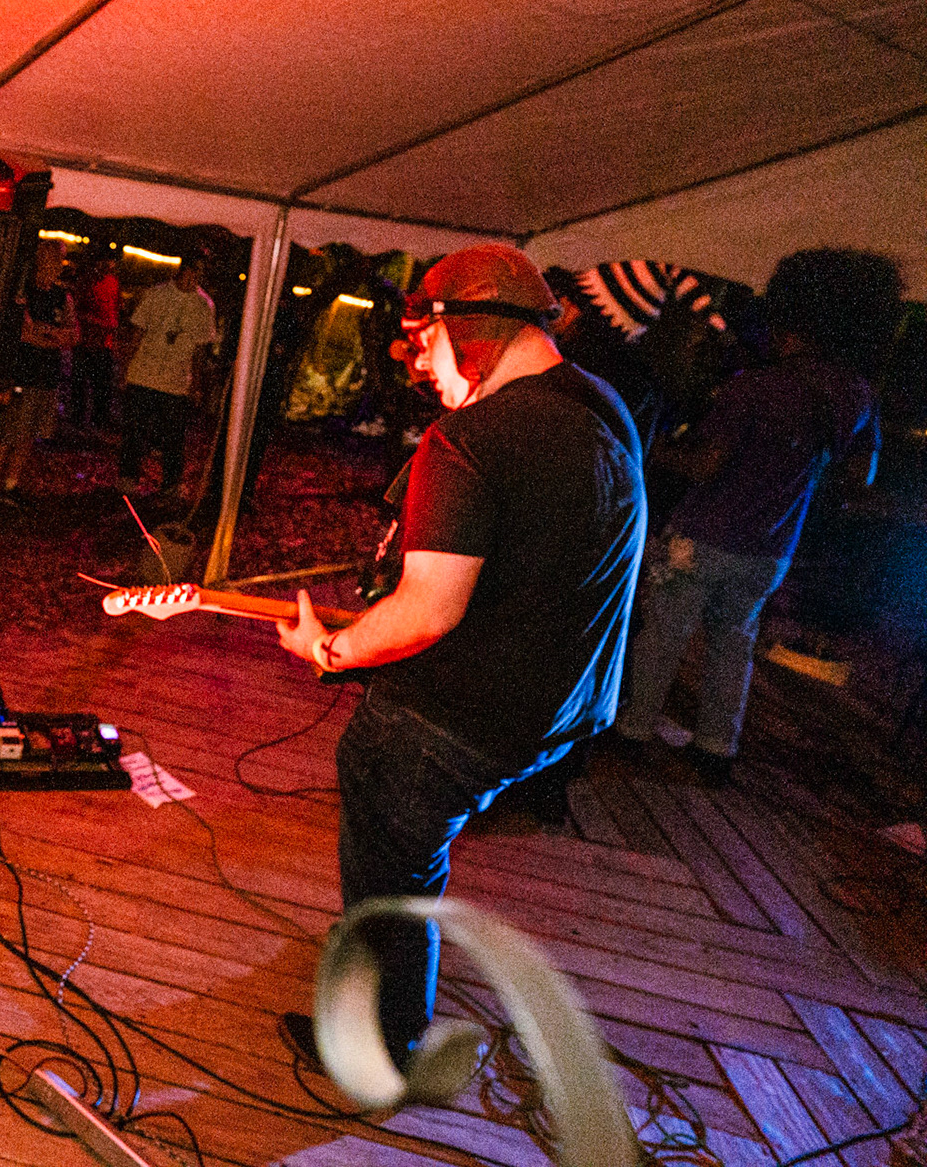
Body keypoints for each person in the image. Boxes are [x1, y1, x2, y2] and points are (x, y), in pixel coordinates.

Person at [273, 244, 645, 1086]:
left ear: (465, 330)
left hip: (445, 723)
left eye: (423, 344)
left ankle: (379, 1046)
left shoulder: (470, 438)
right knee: (411, 867)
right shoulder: (603, 405)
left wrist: (329, 650)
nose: (419, 369)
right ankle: (392, 994)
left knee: (391, 880)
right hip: (561, 711)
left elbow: (426, 611)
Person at [613, 249, 888, 786]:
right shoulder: (856, 395)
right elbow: (861, 477)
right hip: (772, 551)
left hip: (702, 537)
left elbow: (705, 465)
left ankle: (633, 730)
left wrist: (646, 445)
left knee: (663, 637)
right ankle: (716, 749)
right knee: (733, 644)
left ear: (792, 320)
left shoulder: (757, 386)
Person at [0, 238, 75, 500]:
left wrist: (47, 334)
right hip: (22, 373)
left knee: (29, 435)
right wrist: (53, 335)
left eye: (59, 261)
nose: (58, 266)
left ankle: (12, 484)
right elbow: (25, 332)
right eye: (53, 260)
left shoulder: (62, 296)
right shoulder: (25, 292)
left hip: (47, 377)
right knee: (7, 433)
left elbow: (73, 334)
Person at [117, 253, 217, 497]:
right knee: (135, 430)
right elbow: (138, 331)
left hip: (176, 379)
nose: (193, 278)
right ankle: (127, 477)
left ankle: (171, 483)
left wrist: (196, 384)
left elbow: (200, 348)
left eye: (199, 273)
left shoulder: (203, 305)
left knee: (173, 436)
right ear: (182, 271)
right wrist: (125, 367)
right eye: (191, 271)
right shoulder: (157, 294)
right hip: (144, 373)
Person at [68, 250, 120, 432]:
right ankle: (77, 420)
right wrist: (98, 323)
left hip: (104, 341)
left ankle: (99, 420)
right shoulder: (86, 282)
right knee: (80, 382)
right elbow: (76, 311)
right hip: (86, 340)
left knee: (102, 384)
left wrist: (112, 331)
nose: (109, 266)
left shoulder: (113, 282)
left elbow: (115, 309)